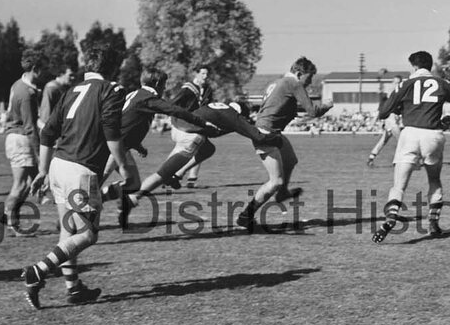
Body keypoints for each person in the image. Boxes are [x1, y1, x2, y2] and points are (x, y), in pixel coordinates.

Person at [21, 46, 134, 308]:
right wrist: (124, 167)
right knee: (87, 235)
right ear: (112, 66)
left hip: (58, 165)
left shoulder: (71, 90)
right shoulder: (111, 89)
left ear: (87, 65)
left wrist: (42, 170)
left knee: (67, 230)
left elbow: (48, 132)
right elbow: (111, 133)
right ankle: (36, 271)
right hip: (81, 171)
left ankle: (74, 289)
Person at [120, 97, 281, 229]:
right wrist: (276, 138)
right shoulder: (233, 115)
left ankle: (178, 173)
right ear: (241, 112)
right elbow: (257, 136)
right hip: (189, 135)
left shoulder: (220, 106)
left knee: (208, 149)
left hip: (178, 128)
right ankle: (132, 198)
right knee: (162, 174)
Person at [371, 50, 450, 242]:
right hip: (433, 135)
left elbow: (384, 112)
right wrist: (449, 120)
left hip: (410, 134)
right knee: (434, 181)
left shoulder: (406, 83)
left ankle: (392, 215)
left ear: (414, 66)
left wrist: (399, 106)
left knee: (399, 185)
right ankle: (434, 224)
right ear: (431, 66)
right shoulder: (443, 84)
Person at [101, 66, 212, 228]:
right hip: (112, 146)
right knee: (94, 184)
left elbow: (128, 121)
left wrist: (138, 146)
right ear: (158, 83)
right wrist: (202, 122)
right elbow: (174, 110)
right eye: (164, 83)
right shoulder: (148, 97)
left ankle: (112, 206)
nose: (165, 87)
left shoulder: (136, 94)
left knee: (133, 185)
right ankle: (71, 218)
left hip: (121, 145)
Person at [235, 56, 333, 231]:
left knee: (291, 160)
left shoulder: (279, 82)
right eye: (308, 78)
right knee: (276, 181)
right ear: (298, 73)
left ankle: (282, 194)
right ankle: (245, 216)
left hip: (271, 132)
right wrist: (327, 105)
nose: (309, 83)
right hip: (265, 134)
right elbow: (313, 110)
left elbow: (279, 107)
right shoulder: (293, 83)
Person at [2, 51, 45, 236]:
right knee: (20, 185)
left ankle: (9, 219)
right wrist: (40, 152)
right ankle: (10, 223)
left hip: (16, 137)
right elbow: (30, 127)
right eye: (42, 69)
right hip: (20, 139)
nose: (44, 73)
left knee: (28, 184)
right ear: (35, 69)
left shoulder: (18, 84)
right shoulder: (26, 93)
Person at [168, 65, 212, 188]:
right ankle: (167, 175)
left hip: (199, 124)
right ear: (196, 74)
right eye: (203, 73)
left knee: (201, 149)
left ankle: (190, 179)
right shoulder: (188, 89)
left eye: (207, 74)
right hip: (184, 125)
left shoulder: (208, 89)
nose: (205, 76)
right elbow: (173, 104)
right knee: (184, 150)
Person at [366, 75, 405, 166]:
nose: (397, 84)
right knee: (401, 140)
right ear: (392, 83)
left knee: (384, 139)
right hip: (390, 118)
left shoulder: (401, 94)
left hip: (397, 118)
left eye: (398, 82)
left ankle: (371, 157)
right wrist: (374, 121)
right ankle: (398, 160)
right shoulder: (387, 95)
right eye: (395, 82)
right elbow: (380, 109)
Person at [38, 64, 73, 131]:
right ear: (61, 74)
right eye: (70, 75)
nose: (73, 78)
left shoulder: (66, 88)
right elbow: (46, 113)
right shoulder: (51, 88)